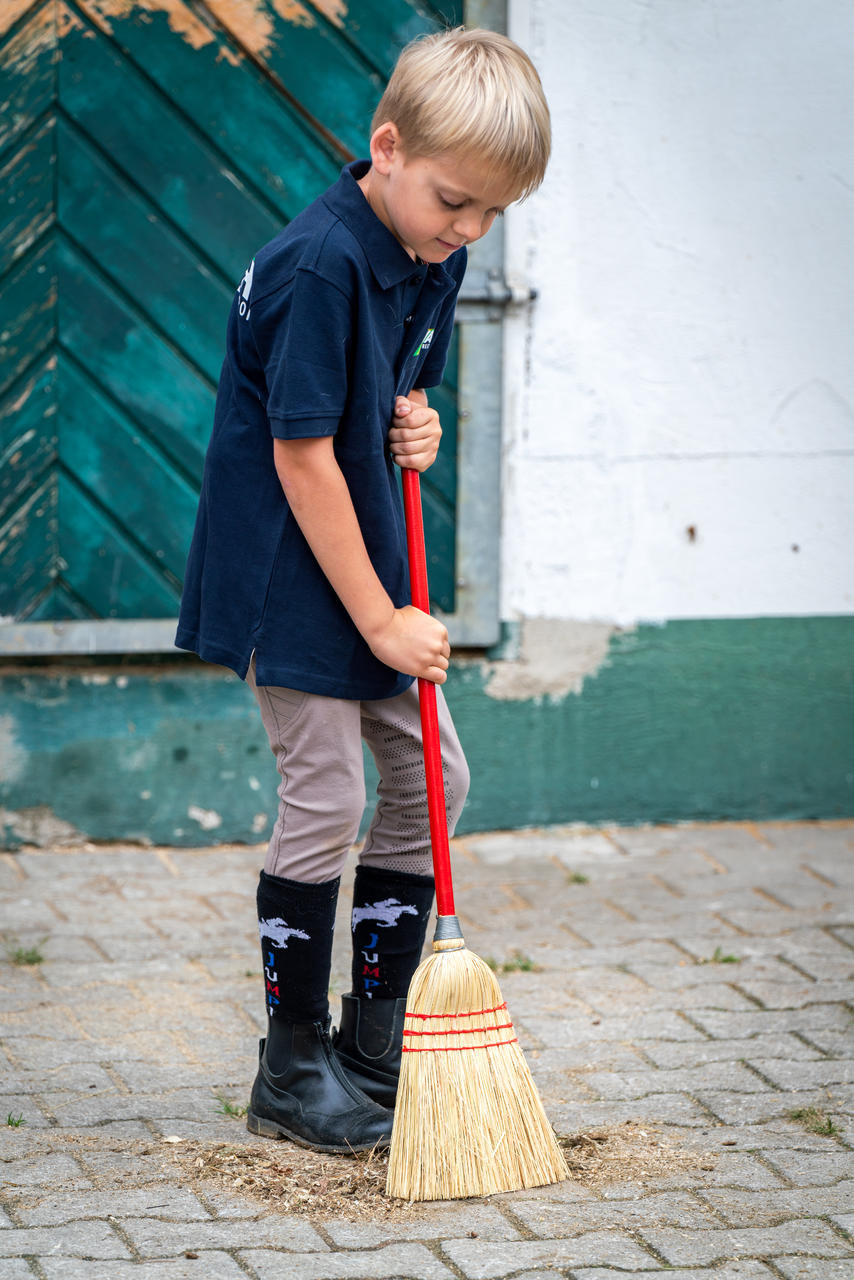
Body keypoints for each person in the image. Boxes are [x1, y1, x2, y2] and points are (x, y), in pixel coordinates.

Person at [175, 25, 551, 1153]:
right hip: (289, 572)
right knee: (328, 790)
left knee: (431, 770)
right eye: (453, 201)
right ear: (384, 148)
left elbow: (388, 398)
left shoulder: (427, 251)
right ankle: (288, 1071)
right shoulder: (319, 264)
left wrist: (418, 421)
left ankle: (369, 1043)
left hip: (365, 560)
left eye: (492, 214)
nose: (468, 233)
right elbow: (300, 457)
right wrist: (382, 614)